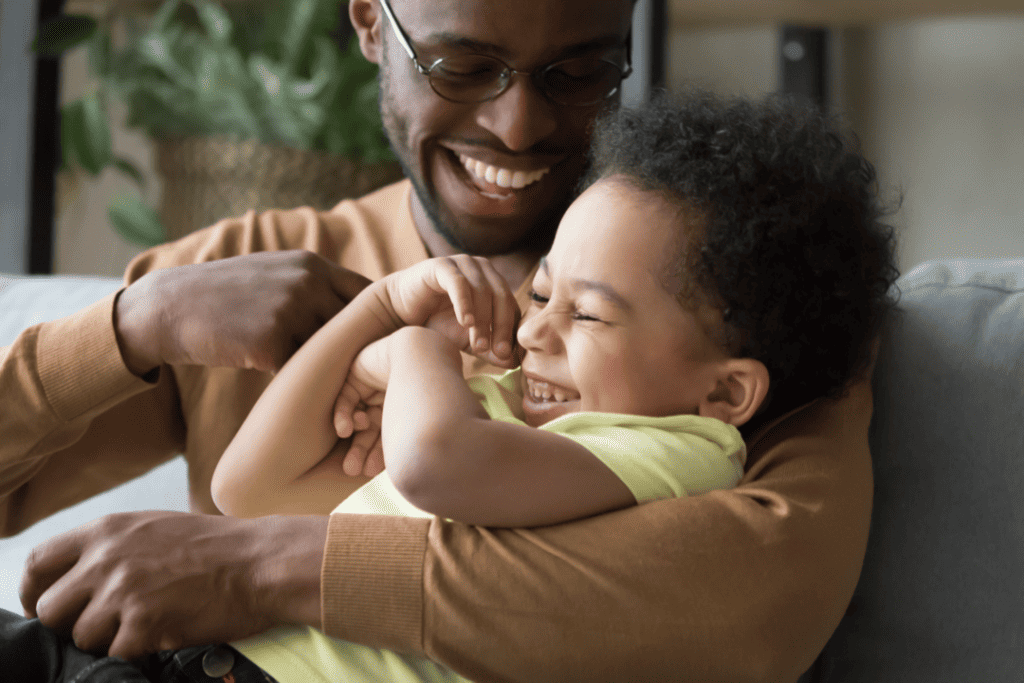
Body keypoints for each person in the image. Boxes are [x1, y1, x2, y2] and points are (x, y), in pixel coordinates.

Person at [0, 0, 898, 680]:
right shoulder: (242, 274)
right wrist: (133, 325)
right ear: (369, 22)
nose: (519, 125)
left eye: (580, 71)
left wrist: (259, 568)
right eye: (462, 67)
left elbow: (753, 605)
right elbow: (248, 487)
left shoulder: (756, 302)